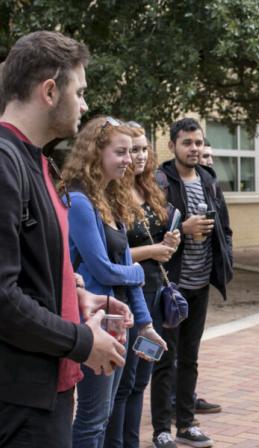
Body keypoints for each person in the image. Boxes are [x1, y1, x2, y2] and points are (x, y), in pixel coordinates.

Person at [0, 31, 129, 448]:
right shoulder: (5, 163)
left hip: (48, 391)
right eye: (81, 91)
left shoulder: (38, 161)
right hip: (20, 401)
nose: (86, 105)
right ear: (51, 91)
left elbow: (31, 269)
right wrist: (82, 342)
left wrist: (77, 300)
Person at [61, 116, 167, 447]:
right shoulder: (78, 201)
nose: (130, 160)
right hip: (93, 321)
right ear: (96, 153)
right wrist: (141, 267)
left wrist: (146, 324)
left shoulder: (109, 200)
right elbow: (105, 270)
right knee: (92, 419)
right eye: (121, 152)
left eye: (132, 151)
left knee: (105, 414)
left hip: (117, 318)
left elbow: (121, 271)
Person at [151, 117, 233, 448]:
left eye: (198, 143)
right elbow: (148, 231)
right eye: (187, 143)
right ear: (172, 146)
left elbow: (224, 226)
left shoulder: (210, 180)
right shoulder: (160, 182)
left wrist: (226, 260)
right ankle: (161, 429)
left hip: (200, 285)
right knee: (164, 358)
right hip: (170, 285)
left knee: (190, 357)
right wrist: (182, 230)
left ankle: (186, 425)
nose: (194, 149)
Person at [104, 123, 180, 448]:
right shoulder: (110, 194)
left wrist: (170, 241)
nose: (138, 156)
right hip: (129, 296)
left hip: (154, 293)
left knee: (141, 378)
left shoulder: (148, 189)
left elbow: (157, 240)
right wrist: (153, 250)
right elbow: (113, 252)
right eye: (131, 149)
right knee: (125, 380)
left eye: (143, 149)